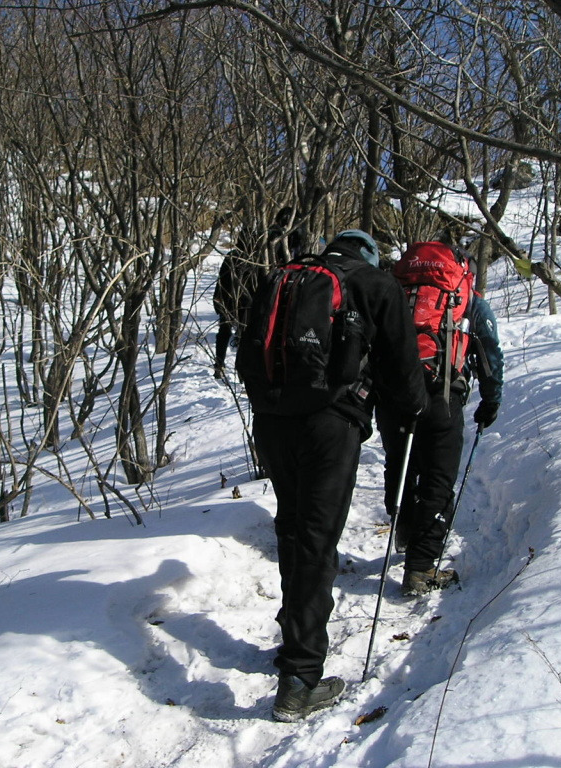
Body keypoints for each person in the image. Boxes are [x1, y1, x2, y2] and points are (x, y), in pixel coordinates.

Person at [241, 230, 429, 721]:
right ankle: (300, 678)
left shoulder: (285, 276)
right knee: (316, 538)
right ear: (368, 254)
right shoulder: (376, 283)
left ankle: (293, 638)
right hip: (330, 423)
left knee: (292, 524)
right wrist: (411, 410)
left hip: (272, 420)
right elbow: (403, 364)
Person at [376, 236, 504, 597]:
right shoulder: (466, 301)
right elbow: (490, 351)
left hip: (394, 394)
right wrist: (491, 399)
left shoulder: (397, 292)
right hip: (441, 395)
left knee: (399, 463)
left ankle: (404, 527)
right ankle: (420, 568)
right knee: (437, 477)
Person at [212, 231, 261, 378]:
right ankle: (239, 371)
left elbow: (222, 280)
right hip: (246, 304)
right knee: (243, 337)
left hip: (229, 301)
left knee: (224, 333)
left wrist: (218, 300)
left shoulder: (232, 256)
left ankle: (219, 364)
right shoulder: (256, 260)